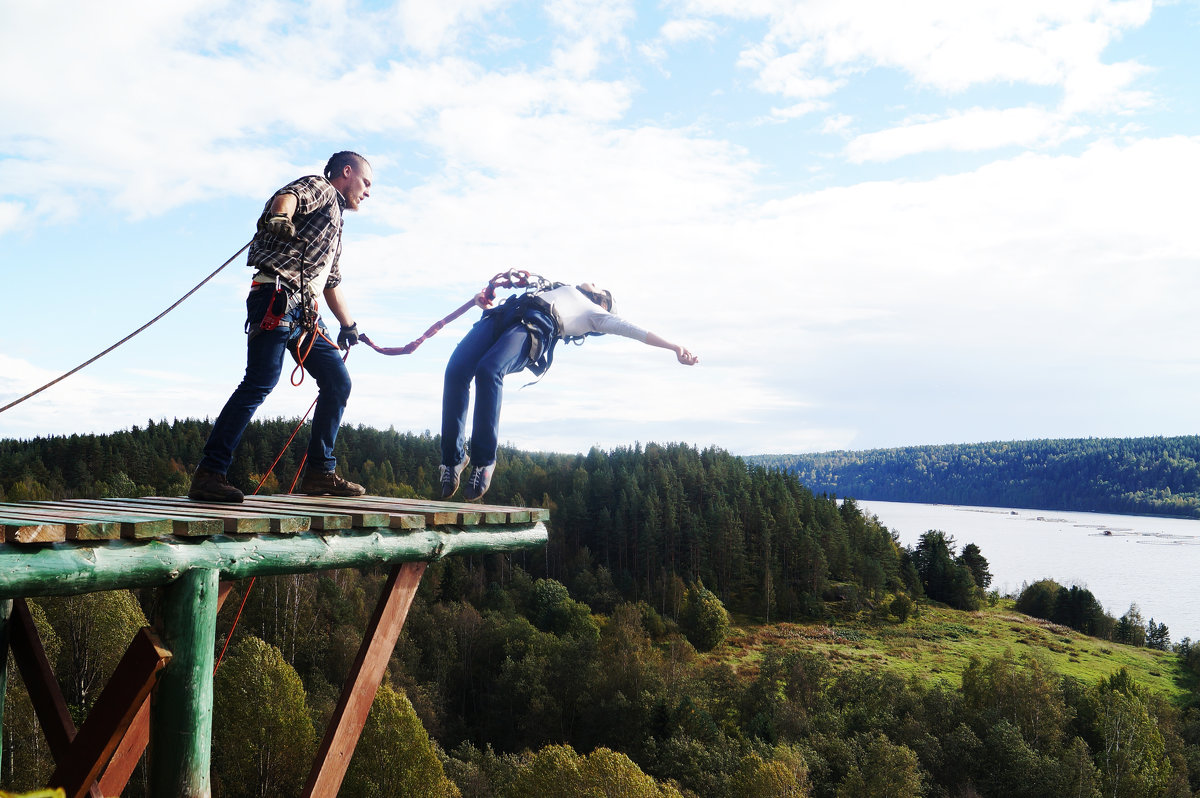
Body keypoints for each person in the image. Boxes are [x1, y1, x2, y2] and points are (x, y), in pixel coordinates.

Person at [189, 151, 373, 503]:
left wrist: (348, 325)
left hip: (303, 314)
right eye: (366, 183)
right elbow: (289, 197)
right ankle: (210, 473)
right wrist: (279, 217)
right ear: (346, 173)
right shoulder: (320, 187)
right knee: (260, 381)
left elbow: (330, 282)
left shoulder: (335, 222)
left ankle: (320, 473)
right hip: (276, 298)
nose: (368, 192)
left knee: (337, 381)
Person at [439, 281, 699, 501]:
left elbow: (634, 331)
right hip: (505, 315)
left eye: (599, 289)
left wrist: (674, 347)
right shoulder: (556, 286)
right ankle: (453, 460)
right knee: (455, 371)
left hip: (533, 326)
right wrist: (484, 301)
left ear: (603, 302)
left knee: (488, 371)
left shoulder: (596, 315)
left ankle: (484, 462)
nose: (594, 284)